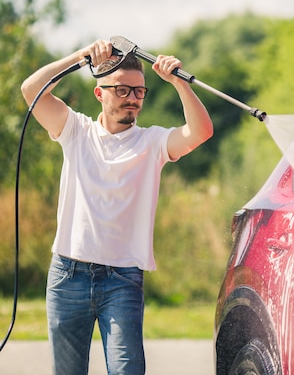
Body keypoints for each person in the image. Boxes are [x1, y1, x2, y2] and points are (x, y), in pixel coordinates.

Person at [20, 39, 214, 375]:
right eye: (123, 91)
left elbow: (201, 132)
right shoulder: (75, 131)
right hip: (68, 276)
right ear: (100, 94)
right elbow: (31, 89)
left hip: (122, 280)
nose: (133, 100)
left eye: (139, 92)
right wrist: (82, 57)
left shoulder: (152, 142)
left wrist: (180, 83)